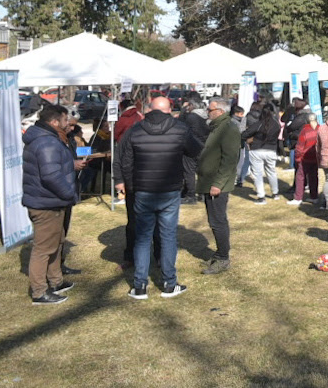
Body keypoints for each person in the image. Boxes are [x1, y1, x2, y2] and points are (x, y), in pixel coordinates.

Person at [117, 96, 203, 299]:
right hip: (169, 189)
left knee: (143, 237)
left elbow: (125, 162)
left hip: (144, 190)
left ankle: (140, 286)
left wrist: (131, 186)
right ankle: (169, 283)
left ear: (149, 109)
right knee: (167, 236)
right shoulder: (180, 129)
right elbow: (196, 150)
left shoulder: (135, 130)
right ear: (169, 110)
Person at [22, 104, 83, 304]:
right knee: (43, 249)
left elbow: (54, 166)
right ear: (54, 122)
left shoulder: (50, 138)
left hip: (52, 201)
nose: (68, 124)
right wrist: (69, 193)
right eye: (66, 120)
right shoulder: (47, 141)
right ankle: (39, 292)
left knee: (56, 244)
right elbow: (50, 176)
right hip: (46, 203)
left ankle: (56, 282)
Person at [198, 96, 240, 275]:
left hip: (217, 183)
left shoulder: (228, 128)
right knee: (214, 220)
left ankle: (223, 258)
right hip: (210, 181)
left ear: (220, 111)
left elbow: (230, 159)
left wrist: (218, 183)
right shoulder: (217, 127)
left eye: (210, 110)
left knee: (218, 221)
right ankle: (220, 253)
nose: (207, 113)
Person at [242, 101, 282, 204]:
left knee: (257, 174)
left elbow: (244, 134)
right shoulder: (276, 125)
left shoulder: (258, 124)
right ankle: (275, 193)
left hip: (256, 150)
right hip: (271, 150)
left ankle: (261, 196)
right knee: (272, 172)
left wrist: (252, 138)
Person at [290, 114, 320, 204]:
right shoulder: (320, 129)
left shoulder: (305, 130)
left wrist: (298, 157)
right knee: (314, 177)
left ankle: (298, 198)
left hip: (305, 157)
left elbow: (300, 146)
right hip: (316, 157)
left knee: (300, 177)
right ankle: (314, 196)